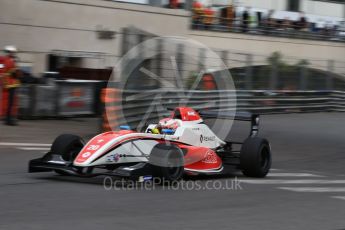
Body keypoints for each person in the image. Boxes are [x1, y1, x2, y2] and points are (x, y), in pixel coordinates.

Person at [1, 46, 21, 126]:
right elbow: (2, 69)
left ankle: (10, 118)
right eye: (12, 52)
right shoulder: (3, 60)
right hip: (8, 83)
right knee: (8, 102)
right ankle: (8, 119)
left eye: (14, 52)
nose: (13, 53)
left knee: (12, 102)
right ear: (8, 52)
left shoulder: (13, 60)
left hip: (13, 83)